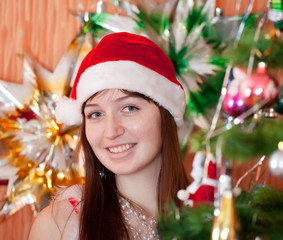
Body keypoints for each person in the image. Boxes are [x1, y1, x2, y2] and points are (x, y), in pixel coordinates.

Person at [28, 32, 189, 240]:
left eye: (129, 108)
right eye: (96, 114)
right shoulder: (59, 226)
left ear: (166, 115)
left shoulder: (217, 218)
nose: (111, 132)